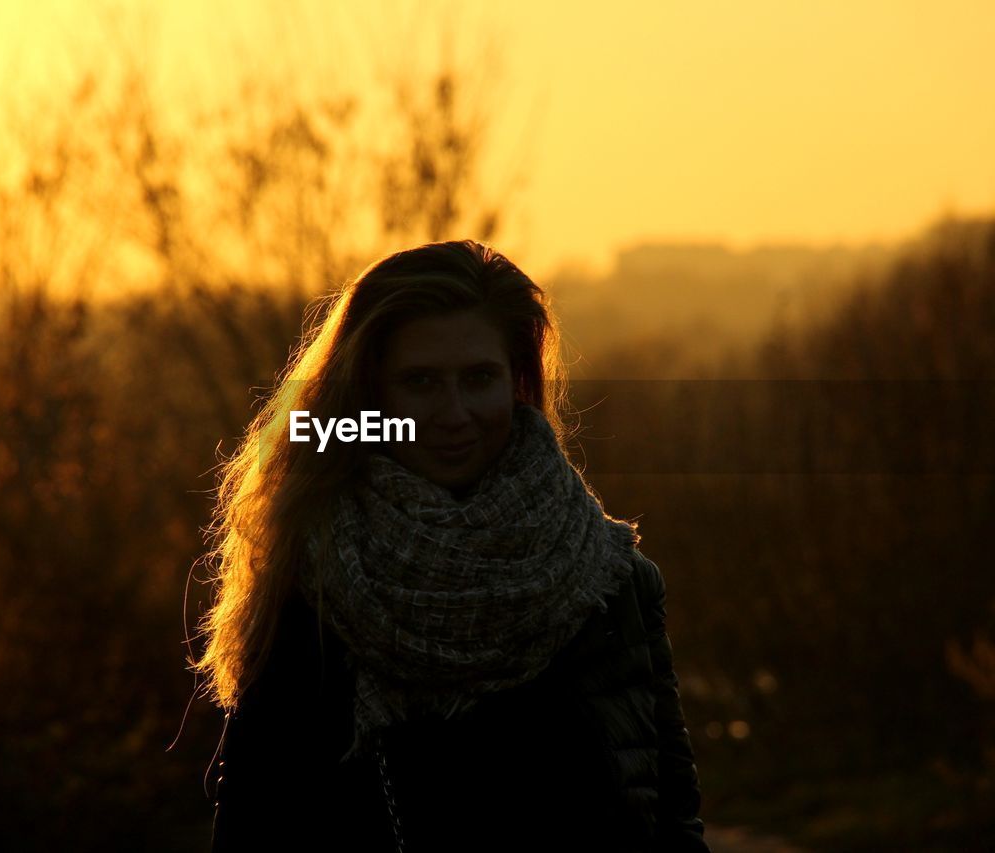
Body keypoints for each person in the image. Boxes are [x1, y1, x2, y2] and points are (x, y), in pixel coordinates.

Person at [196, 240, 708, 852]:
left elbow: (671, 817)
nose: (453, 413)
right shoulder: (312, 577)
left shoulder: (611, 578)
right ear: (368, 399)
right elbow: (257, 825)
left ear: (518, 383)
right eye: (420, 383)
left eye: (478, 378)